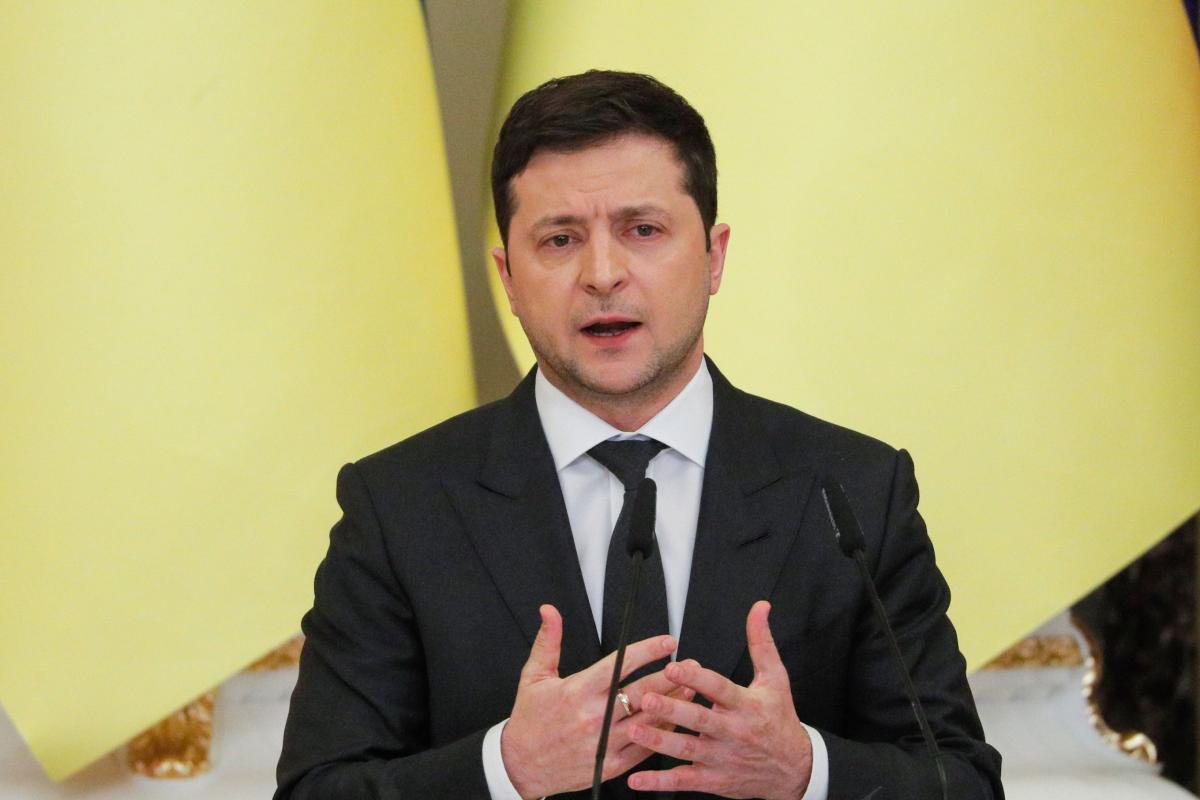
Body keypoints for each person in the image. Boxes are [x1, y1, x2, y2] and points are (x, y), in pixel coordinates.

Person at [275, 70, 1003, 799]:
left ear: (714, 257)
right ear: (508, 277)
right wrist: (505, 769)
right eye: (560, 239)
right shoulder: (401, 505)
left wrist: (804, 772)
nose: (602, 274)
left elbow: (963, 784)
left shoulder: (850, 491)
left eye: (642, 231)